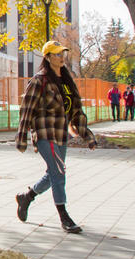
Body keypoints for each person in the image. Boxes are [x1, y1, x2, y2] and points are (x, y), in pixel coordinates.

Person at [14, 40, 97, 234]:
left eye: (63, 54)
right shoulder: (39, 80)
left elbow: (76, 111)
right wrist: (22, 137)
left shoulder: (67, 81)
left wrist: (87, 135)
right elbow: (26, 109)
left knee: (53, 173)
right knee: (59, 172)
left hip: (61, 134)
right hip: (44, 132)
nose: (61, 57)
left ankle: (27, 197)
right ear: (48, 57)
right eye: (57, 54)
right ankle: (64, 216)